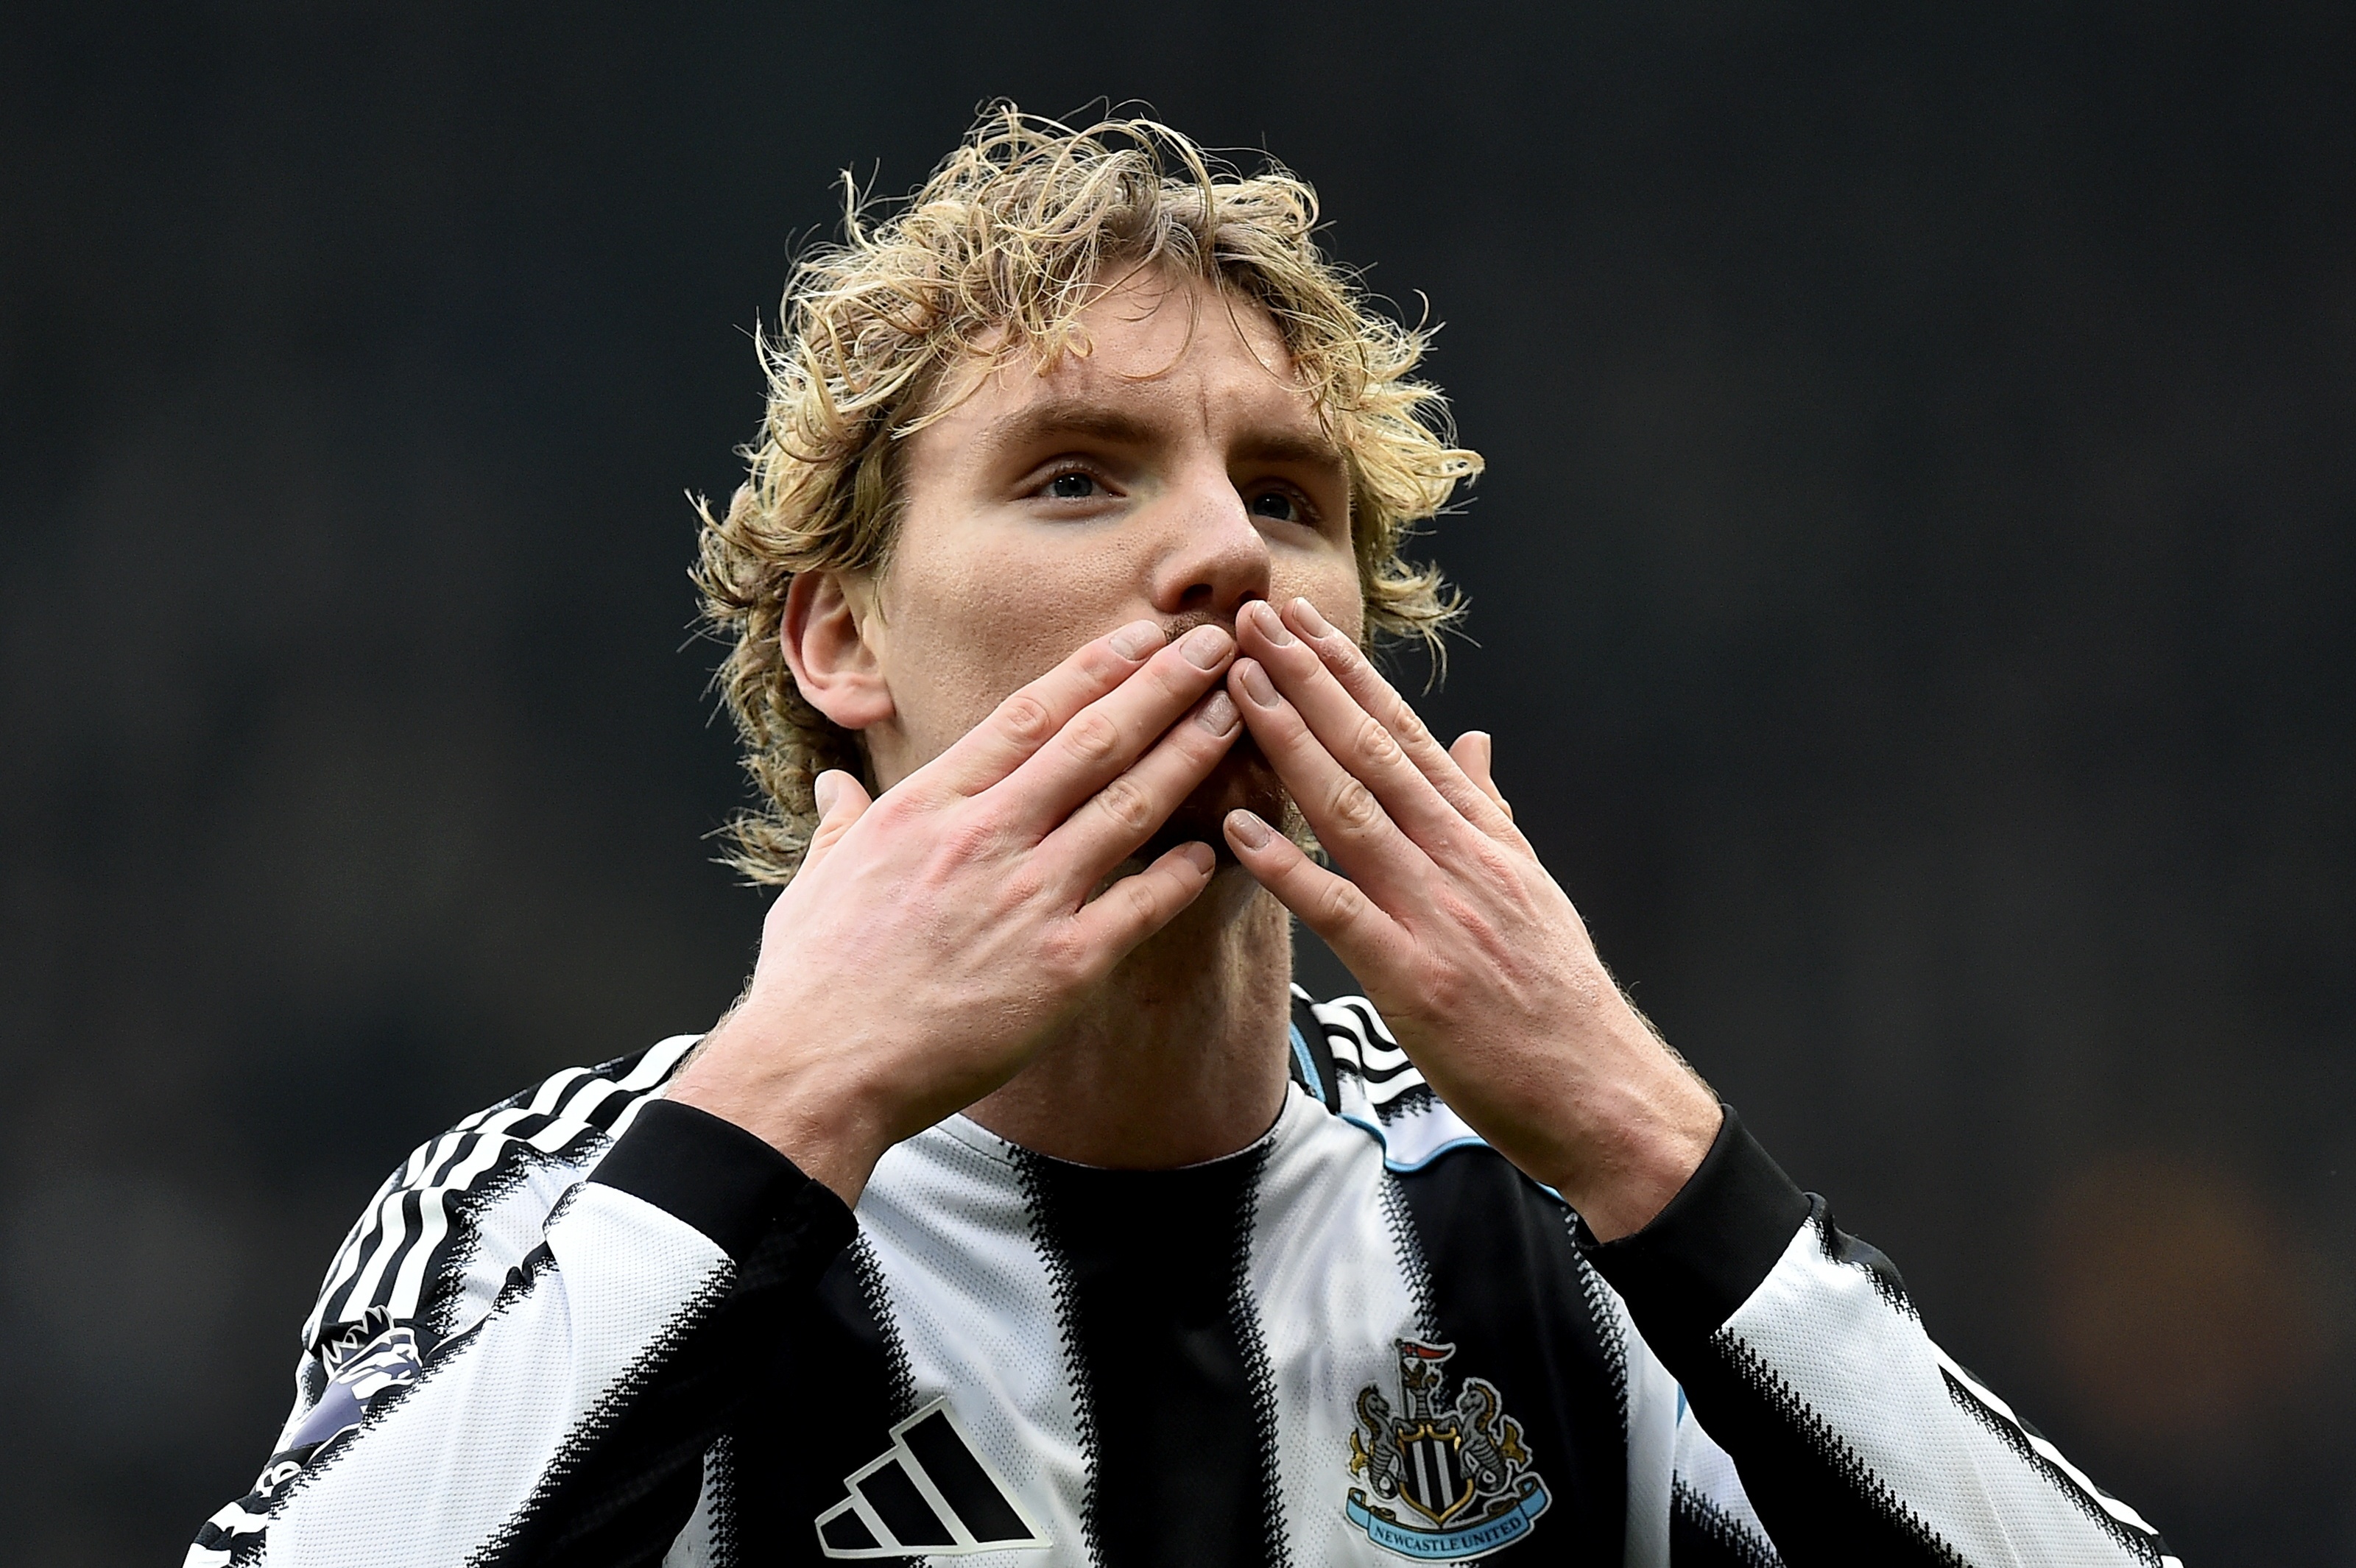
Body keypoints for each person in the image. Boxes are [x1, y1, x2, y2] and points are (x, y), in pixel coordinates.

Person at [188, 109, 2173, 1568]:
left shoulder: (1555, 1228)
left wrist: (1635, 1127)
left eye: (1292, 498)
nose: (1228, 550)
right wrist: (786, 1099)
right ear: (841, 635)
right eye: (1077, 475)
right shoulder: (573, 1205)